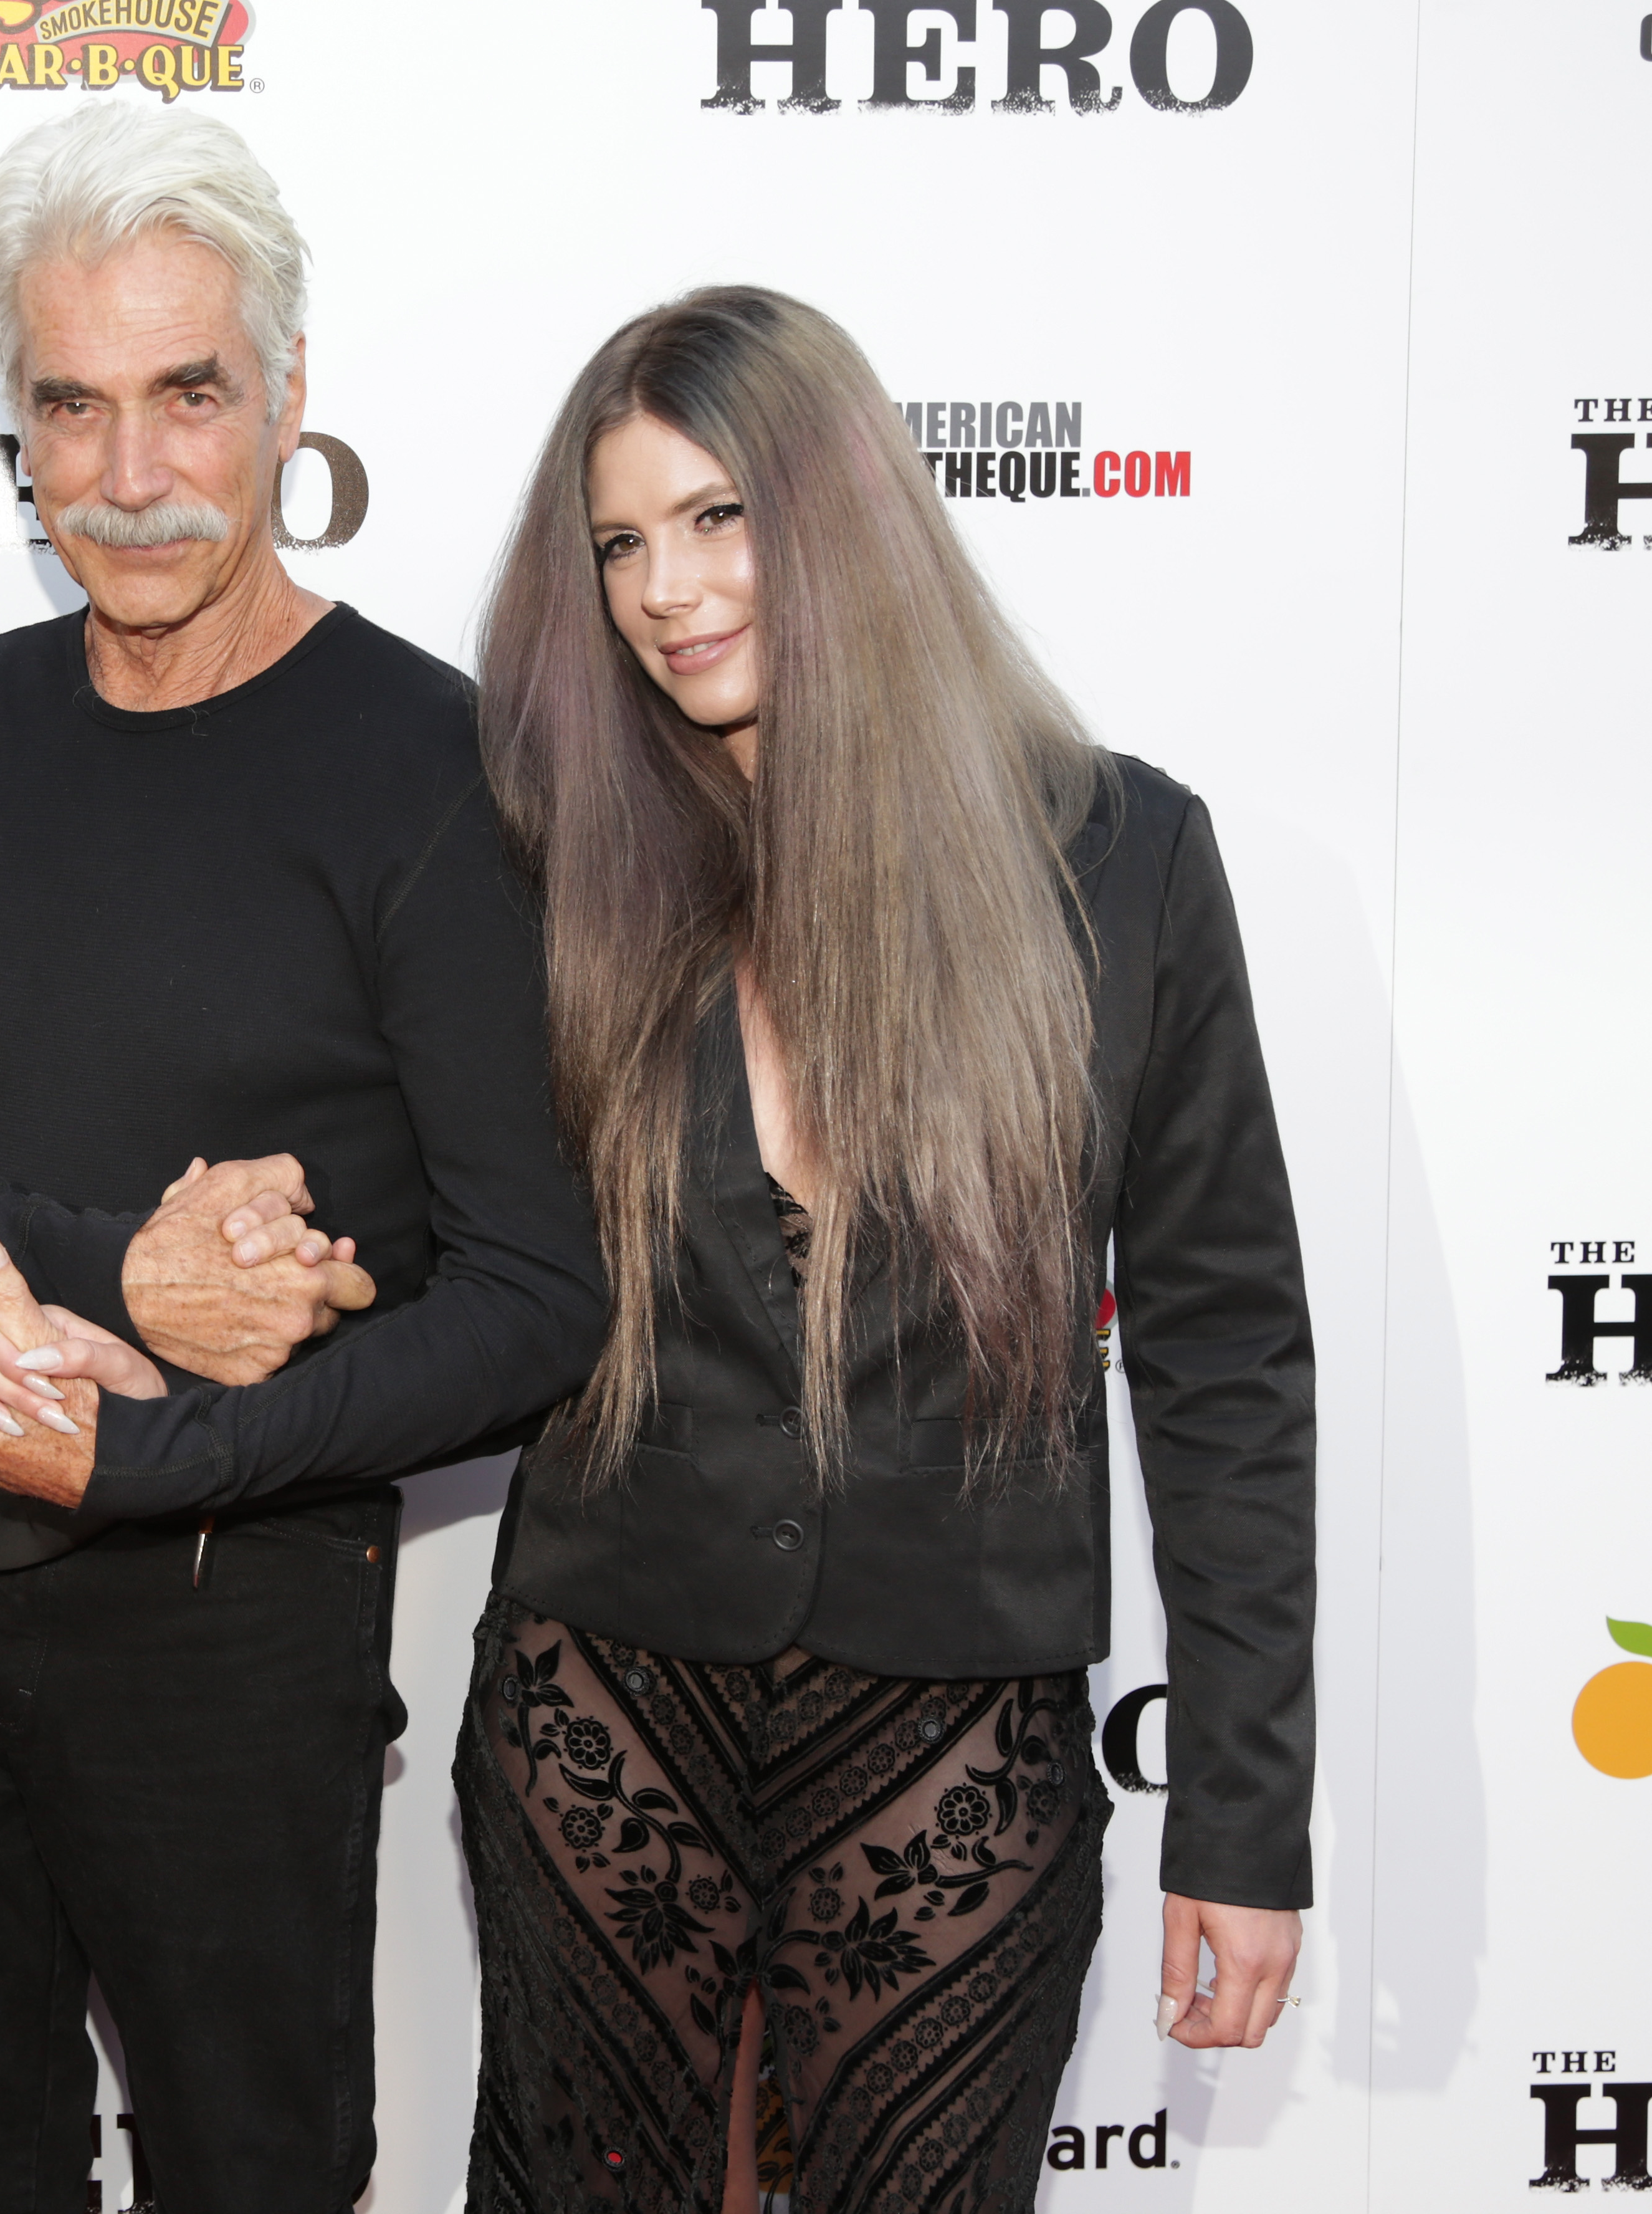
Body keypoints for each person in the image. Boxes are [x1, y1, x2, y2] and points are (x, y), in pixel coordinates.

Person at [0, 103, 611, 2214]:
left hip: (240, 1623)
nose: (128, 478)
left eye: (186, 397)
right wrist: (119, 1284)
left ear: (287, 399)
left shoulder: (434, 758)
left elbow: (531, 1300)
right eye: (70, 406)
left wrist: (148, 1457)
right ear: (13, 422)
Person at [449, 287, 1315, 2213]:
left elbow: (1226, 1356)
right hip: (605, 1679)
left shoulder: (1115, 858)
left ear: (838, 513)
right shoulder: (544, 850)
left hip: (954, 1702)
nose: (665, 590)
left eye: (717, 516)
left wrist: (1244, 1820)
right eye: (619, 541)